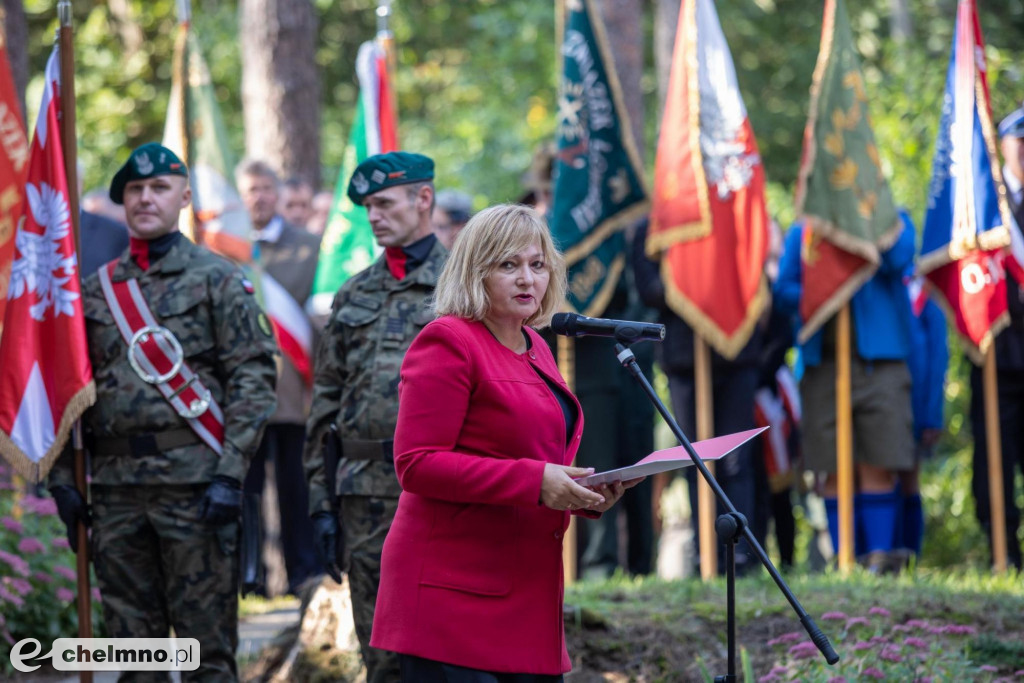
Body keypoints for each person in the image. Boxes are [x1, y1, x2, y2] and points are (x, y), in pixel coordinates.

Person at [371, 203, 641, 681]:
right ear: (475, 271)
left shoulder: (535, 345)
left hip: (525, 593)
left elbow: (534, 459)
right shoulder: (448, 341)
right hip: (450, 599)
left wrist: (583, 491)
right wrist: (537, 481)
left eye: (537, 265)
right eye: (508, 265)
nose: (527, 279)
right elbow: (417, 464)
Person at [48, 142, 278, 680]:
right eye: (134, 189)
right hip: (115, 492)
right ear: (122, 201)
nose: (146, 198)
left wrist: (230, 475)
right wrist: (64, 480)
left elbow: (253, 377)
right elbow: (69, 392)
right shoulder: (96, 292)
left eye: (158, 188)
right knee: (134, 654)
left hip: (196, 487)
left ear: (184, 197)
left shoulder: (218, 278)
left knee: (205, 652)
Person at [303, 151, 447, 683]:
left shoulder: (465, 286)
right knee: (380, 651)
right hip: (363, 496)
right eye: (368, 207)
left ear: (423, 199)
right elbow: (325, 407)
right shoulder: (354, 292)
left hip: (439, 494)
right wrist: (320, 504)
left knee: (441, 652)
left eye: (385, 203)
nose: (374, 216)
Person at [774, 212, 916, 571]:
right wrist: (823, 290)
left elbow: (902, 257)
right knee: (832, 466)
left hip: (880, 362)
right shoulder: (805, 229)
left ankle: (880, 558)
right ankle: (845, 559)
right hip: (824, 364)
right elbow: (784, 292)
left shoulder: (891, 217)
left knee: (880, 461)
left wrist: (866, 230)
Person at [632, 217, 762, 576]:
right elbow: (649, 288)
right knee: (697, 458)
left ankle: (740, 555)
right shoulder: (657, 222)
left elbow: (753, 272)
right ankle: (707, 552)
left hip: (736, 352)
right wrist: (695, 280)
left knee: (736, 459)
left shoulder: (731, 212)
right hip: (685, 358)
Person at [236, 159, 322, 595]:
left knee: (296, 488)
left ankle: (302, 574)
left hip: (293, 391)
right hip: (241, 398)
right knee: (245, 490)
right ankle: (250, 576)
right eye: (251, 189)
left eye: (267, 188)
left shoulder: (310, 246)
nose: (260, 197)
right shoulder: (224, 247)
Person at [969, 107, 1024, 569]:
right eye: (1017, 139)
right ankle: (1002, 551)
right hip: (996, 353)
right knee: (994, 458)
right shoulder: (982, 203)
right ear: (1003, 145)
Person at [894, 274, 947, 565]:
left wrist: (931, 415)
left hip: (917, 404)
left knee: (908, 478)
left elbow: (939, 356)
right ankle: (882, 556)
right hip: (887, 396)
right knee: (882, 477)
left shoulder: (926, 291)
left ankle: (909, 557)